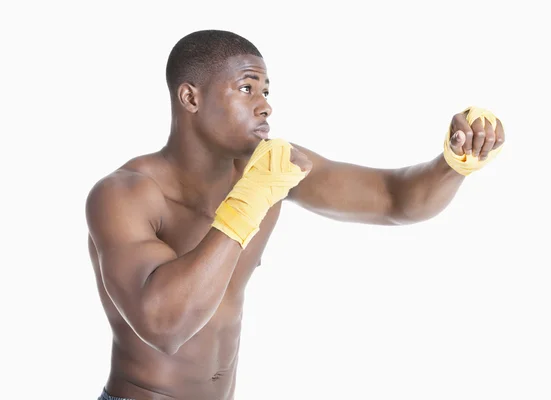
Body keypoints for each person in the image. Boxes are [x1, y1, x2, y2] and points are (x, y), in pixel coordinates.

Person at [86, 29, 505, 400]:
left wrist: (453, 162)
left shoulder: (269, 172)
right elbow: (164, 327)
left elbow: (395, 199)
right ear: (190, 97)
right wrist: (248, 201)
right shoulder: (126, 193)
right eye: (247, 89)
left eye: (267, 92)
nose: (265, 106)